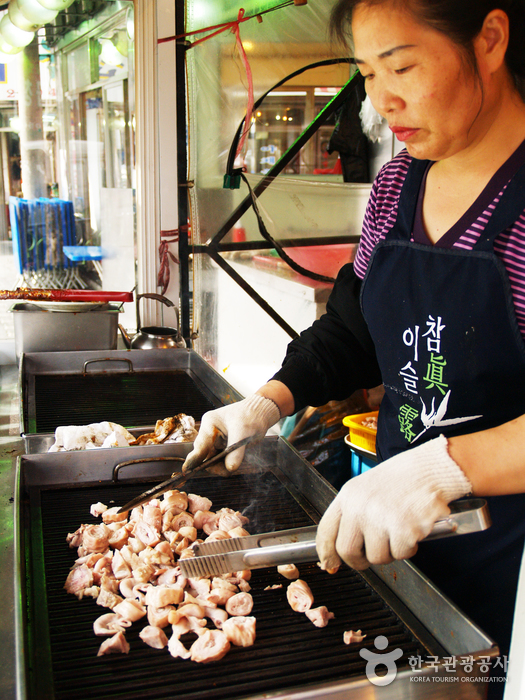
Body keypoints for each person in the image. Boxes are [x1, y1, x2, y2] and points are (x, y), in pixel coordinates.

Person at [185, 0, 525, 692]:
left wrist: (444, 469)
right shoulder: (398, 184)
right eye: (367, 73)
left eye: (401, 65)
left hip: (511, 569)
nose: (380, 99)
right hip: (400, 543)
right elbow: (354, 330)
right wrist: (264, 402)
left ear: (489, 39)